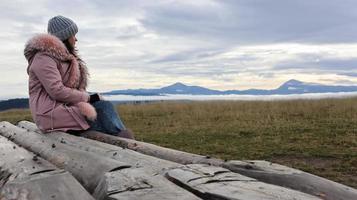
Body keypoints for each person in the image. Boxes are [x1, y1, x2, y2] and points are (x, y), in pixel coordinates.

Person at [24, 15, 134, 139]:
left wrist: (91, 98)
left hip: (62, 109)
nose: (76, 39)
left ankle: (124, 143)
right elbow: (57, 91)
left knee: (104, 107)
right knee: (103, 113)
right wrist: (88, 97)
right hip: (49, 115)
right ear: (65, 37)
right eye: (73, 35)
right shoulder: (43, 59)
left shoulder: (63, 59)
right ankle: (127, 145)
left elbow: (72, 90)